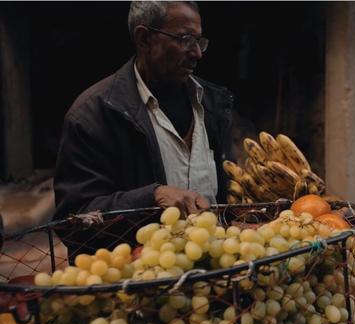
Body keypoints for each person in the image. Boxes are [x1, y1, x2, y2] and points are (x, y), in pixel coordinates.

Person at [54, 2, 232, 225]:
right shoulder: (93, 114)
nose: (197, 53)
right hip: (140, 259)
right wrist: (152, 197)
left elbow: (225, 198)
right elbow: (73, 219)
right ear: (144, 39)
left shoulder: (213, 104)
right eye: (185, 39)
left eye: (199, 41)